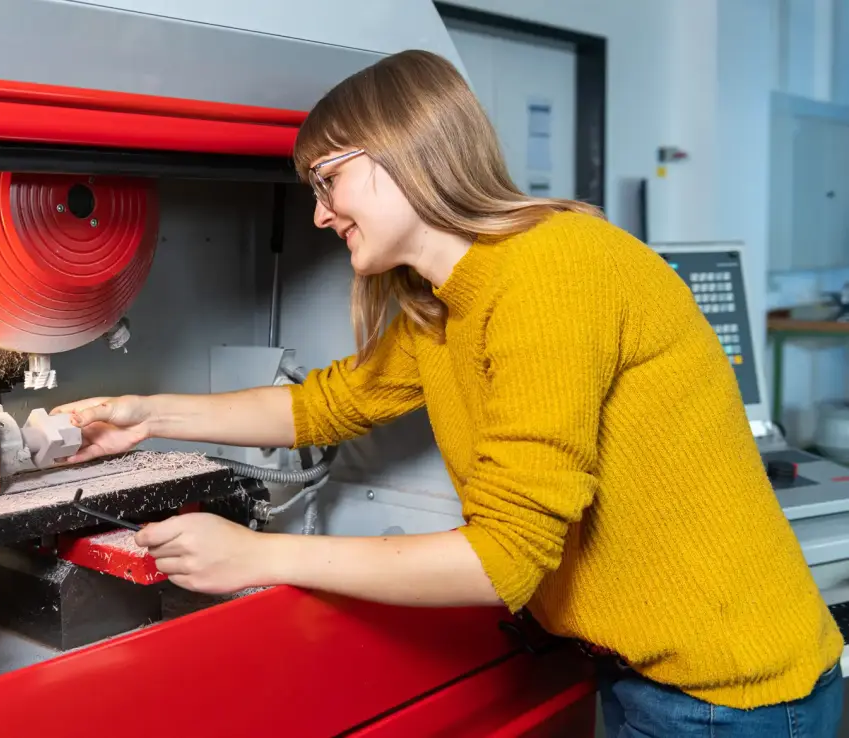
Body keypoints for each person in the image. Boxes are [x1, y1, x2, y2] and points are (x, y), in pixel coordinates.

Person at [52, 50, 844, 736]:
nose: (321, 216)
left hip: (726, 694)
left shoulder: (547, 273)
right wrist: (145, 415)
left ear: (406, 147)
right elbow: (322, 406)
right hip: (639, 668)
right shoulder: (446, 301)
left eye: (328, 181)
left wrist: (258, 555)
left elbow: (503, 560)